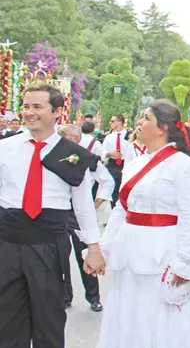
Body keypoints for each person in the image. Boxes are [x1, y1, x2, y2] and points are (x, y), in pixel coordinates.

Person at [96, 99, 190, 348]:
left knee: (162, 311)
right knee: (130, 307)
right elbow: (121, 208)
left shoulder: (183, 165)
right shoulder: (136, 162)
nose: (139, 123)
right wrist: (103, 249)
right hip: (130, 247)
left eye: (146, 118)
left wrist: (185, 262)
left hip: (163, 249)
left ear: (162, 128)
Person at [0, 84, 105, 348]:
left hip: (48, 242)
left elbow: (82, 205)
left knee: (49, 320)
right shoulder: (5, 148)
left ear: (57, 111)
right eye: (26, 107)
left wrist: (93, 247)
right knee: (8, 320)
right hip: (7, 241)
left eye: (37, 107)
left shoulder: (73, 155)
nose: (29, 113)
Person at [56, 124, 107, 313]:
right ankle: (65, 296)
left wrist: (98, 202)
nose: (61, 137)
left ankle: (93, 296)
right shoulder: (50, 154)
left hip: (78, 213)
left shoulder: (85, 158)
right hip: (58, 212)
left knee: (84, 253)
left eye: (65, 135)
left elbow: (106, 180)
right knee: (60, 256)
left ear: (76, 138)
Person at [100, 114, 135, 206]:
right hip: (113, 164)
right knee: (114, 190)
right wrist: (109, 153)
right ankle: (114, 208)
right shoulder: (109, 137)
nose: (110, 123)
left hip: (125, 164)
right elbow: (102, 151)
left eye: (112, 121)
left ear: (119, 122)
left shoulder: (130, 136)